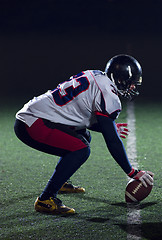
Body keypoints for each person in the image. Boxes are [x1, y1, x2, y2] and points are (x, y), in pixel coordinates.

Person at [14, 54, 154, 215]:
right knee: (80, 149)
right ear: (120, 79)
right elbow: (112, 141)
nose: (132, 87)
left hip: (36, 115)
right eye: (130, 83)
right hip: (33, 123)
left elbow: (80, 116)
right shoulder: (109, 95)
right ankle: (46, 199)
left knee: (84, 137)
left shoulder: (97, 75)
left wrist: (109, 126)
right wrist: (132, 172)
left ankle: (61, 181)